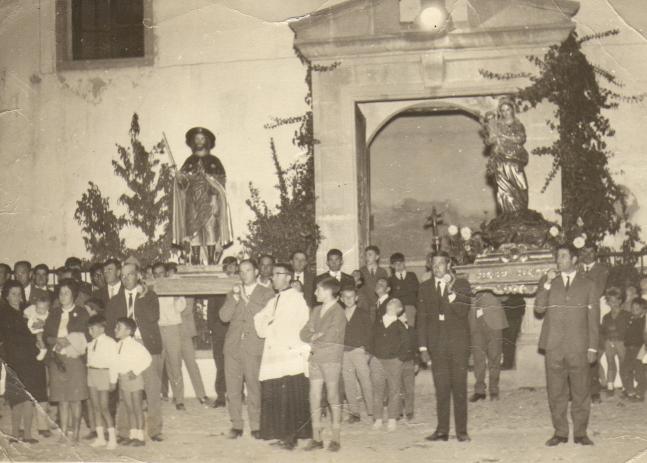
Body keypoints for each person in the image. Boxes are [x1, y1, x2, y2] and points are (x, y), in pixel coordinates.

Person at [535, 243, 599, 446]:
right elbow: (538, 308)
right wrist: (546, 284)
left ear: (574, 259)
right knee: (556, 392)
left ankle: (580, 433)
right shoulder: (548, 281)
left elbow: (593, 319)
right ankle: (560, 432)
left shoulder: (588, 284)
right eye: (558, 256)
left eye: (563, 256)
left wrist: (593, 347)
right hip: (554, 347)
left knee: (581, 391)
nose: (558, 260)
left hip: (579, 347)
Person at [255, 263, 312, 450]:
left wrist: (271, 324)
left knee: (289, 396)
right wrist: (269, 323)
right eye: (272, 274)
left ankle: (290, 438)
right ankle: (281, 434)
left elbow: (293, 325)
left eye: (277, 274)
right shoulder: (275, 299)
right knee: (278, 394)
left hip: (289, 354)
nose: (273, 277)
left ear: (288, 277)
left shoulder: (296, 298)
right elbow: (260, 318)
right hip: (276, 353)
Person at [105, 261, 164, 442]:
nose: (125, 278)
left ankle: (154, 430)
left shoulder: (150, 295)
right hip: (126, 348)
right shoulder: (115, 301)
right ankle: (124, 431)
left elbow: (153, 317)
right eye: (122, 275)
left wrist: (142, 297)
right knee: (126, 391)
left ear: (138, 275)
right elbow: (110, 328)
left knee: (152, 390)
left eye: (129, 274)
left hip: (147, 346)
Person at [417, 251, 472, 442]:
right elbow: (421, 319)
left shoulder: (462, 284)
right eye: (433, 264)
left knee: (459, 388)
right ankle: (442, 430)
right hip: (437, 346)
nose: (437, 267)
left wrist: (450, 292)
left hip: (458, 345)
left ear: (448, 265)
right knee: (441, 389)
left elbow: (463, 311)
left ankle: (462, 431)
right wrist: (423, 348)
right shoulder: (424, 287)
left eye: (440, 263)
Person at [220, 259, 275, 439]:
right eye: (241, 271)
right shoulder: (233, 293)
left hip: (253, 347)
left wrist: (246, 300)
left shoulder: (267, 293)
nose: (244, 275)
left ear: (256, 272)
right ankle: (236, 424)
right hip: (233, 347)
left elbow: (265, 316)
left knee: (254, 387)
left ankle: (256, 425)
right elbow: (224, 317)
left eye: (248, 270)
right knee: (233, 388)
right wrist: (235, 299)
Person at [172, 127, 233, 265]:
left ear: (207, 141)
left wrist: (214, 199)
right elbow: (183, 185)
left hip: (209, 201)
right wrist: (179, 178)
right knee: (193, 230)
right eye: (196, 139)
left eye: (202, 138)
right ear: (193, 142)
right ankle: (195, 258)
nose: (199, 141)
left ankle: (211, 258)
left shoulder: (214, 161)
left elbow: (219, 183)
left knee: (210, 228)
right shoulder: (189, 162)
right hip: (192, 202)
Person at [300, 277, 346, 452]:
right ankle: (316, 437)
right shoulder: (316, 310)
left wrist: (315, 335)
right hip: (315, 357)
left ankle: (336, 438)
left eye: (318, 290)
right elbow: (303, 332)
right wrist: (315, 335)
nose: (314, 293)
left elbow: (331, 337)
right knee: (314, 396)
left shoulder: (338, 312)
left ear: (328, 291)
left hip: (331, 358)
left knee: (333, 396)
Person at [0, 280, 48, 444]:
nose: (17, 297)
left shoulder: (28, 310)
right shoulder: (3, 314)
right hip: (15, 360)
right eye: (13, 294)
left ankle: (27, 434)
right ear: (6, 296)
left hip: (32, 359)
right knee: (17, 398)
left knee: (29, 397)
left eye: (19, 293)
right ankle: (15, 434)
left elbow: (41, 325)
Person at [43, 278, 90, 444]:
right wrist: (56, 340)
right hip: (57, 360)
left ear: (74, 295)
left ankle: (75, 434)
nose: (62, 296)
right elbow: (46, 336)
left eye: (66, 293)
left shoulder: (82, 312)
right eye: (60, 293)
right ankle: (63, 434)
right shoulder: (54, 313)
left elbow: (87, 336)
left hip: (75, 360)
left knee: (75, 399)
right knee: (62, 399)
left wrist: (69, 341)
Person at [483, 97, 529, 213]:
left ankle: (521, 211)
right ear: (500, 112)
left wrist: (504, 137)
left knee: (521, 185)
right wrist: (490, 138)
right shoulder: (496, 125)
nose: (505, 113)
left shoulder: (518, 125)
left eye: (508, 109)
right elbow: (489, 140)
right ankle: (507, 213)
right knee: (503, 187)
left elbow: (521, 139)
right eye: (503, 110)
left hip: (515, 159)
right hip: (501, 159)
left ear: (512, 110)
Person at [369, 298, 409, 432]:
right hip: (377, 360)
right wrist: (371, 357)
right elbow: (370, 338)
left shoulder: (400, 325)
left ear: (399, 309)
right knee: (377, 390)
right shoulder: (378, 322)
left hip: (393, 362)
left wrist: (399, 359)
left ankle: (392, 419)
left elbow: (406, 343)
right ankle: (378, 419)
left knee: (394, 390)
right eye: (389, 303)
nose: (391, 305)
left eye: (394, 304)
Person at [153, 262, 187, 410]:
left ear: (166, 273)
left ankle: (179, 399)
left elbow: (181, 307)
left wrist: (176, 295)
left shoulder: (174, 285)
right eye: (156, 274)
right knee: (157, 365)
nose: (159, 276)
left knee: (175, 364)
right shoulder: (153, 288)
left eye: (161, 273)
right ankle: (155, 398)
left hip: (173, 328)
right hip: (158, 329)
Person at [113, 317, 152, 447]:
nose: (115, 329)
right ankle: (132, 435)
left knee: (137, 408)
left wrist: (135, 371)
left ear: (128, 331)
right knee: (129, 408)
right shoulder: (117, 345)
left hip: (134, 380)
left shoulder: (135, 345)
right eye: (116, 327)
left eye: (119, 327)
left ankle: (140, 437)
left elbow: (147, 359)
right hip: (123, 380)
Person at [579, 243, 609, 404]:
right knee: (576, 352)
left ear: (596, 254)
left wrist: (582, 278)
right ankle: (576, 390)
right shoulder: (576, 268)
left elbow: (596, 291)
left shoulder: (601, 270)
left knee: (592, 351)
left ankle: (594, 391)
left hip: (591, 316)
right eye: (585, 252)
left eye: (591, 252)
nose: (588, 255)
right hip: (576, 316)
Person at [206, 257, 237, 408]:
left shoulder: (240, 284)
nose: (231, 268)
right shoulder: (217, 285)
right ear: (224, 268)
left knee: (236, 365)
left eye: (234, 266)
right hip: (220, 332)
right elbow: (211, 312)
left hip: (236, 331)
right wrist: (215, 329)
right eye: (228, 266)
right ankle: (220, 397)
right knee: (221, 365)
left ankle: (237, 395)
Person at [340, 285, 373, 424]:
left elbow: (370, 334)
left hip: (359, 351)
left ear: (356, 298)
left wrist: (368, 352)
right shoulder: (339, 314)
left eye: (351, 297)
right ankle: (354, 412)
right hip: (344, 352)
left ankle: (372, 411)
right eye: (346, 297)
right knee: (349, 382)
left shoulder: (363, 314)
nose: (349, 299)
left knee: (365, 381)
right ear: (341, 299)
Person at [86, 314, 118, 449]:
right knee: (95, 407)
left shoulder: (110, 342)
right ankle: (100, 438)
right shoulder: (91, 343)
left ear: (101, 328)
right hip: (92, 373)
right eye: (89, 329)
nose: (90, 332)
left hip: (104, 374)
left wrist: (113, 380)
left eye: (92, 329)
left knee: (104, 407)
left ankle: (112, 439)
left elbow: (114, 363)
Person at [469, 291, 508, 401]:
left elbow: (505, 296)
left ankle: (494, 390)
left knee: (495, 358)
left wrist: (496, 291)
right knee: (478, 359)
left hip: (494, 322)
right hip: (475, 323)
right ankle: (479, 391)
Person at [599, 287, 629, 397]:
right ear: (607, 302)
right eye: (610, 301)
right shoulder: (606, 317)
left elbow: (630, 330)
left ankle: (626, 386)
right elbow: (603, 331)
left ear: (620, 301)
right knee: (610, 363)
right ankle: (610, 386)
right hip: (609, 342)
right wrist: (606, 341)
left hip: (621, 342)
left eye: (615, 301)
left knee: (623, 364)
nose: (613, 303)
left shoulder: (626, 315)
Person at [621, 298, 646, 402]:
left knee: (639, 372)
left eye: (637, 309)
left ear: (643, 310)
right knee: (626, 369)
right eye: (632, 308)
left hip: (639, 349)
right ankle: (630, 391)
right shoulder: (630, 319)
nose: (634, 310)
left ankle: (640, 393)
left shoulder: (644, 321)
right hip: (629, 349)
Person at [359, 245, 389, 311]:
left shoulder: (382, 271)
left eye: (370, 255)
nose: (367, 257)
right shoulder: (361, 271)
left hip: (379, 305)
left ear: (377, 257)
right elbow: (359, 290)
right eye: (366, 255)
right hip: (365, 306)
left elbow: (385, 289)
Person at [501, 295, 526, 370]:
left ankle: (507, 364)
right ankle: (507, 363)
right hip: (513, 316)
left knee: (509, 341)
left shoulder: (515, 294)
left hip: (512, 317)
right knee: (508, 341)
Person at [23, 296, 50, 361]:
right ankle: (41, 349)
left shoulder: (47, 314)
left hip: (41, 330)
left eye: (42, 308)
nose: (39, 310)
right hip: (31, 330)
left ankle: (43, 349)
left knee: (39, 337)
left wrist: (44, 323)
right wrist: (27, 316)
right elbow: (25, 313)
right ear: (35, 305)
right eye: (38, 307)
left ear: (47, 308)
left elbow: (48, 323)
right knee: (36, 343)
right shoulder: (32, 308)